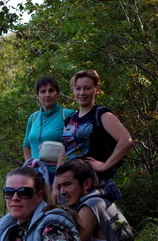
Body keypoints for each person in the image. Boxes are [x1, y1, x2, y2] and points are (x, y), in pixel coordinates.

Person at [54, 70, 133, 200]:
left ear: (97, 90)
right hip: (68, 188)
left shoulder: (102, 114)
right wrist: (56, 184)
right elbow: (65, 150)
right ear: (73, 91)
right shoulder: (70, 119)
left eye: (87, 88)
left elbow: (126, 140)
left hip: (92, 186)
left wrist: (104, 165)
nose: (82, 93)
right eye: (78, 88)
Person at [55, 159, 137, 241]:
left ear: (87, 183)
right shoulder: (101, 200)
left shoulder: (91, 206)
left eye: (67, 184)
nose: (62, 192)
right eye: (60, 186)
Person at [22, 76, 73, 186]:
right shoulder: (33, 117)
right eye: (43, 91)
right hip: (35, 175)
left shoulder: (68, 115)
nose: (47, 95)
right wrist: (30, 167)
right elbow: (26, 145)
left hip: (59, 174)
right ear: (37, 95)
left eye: (51, 91)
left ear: (57, 93)